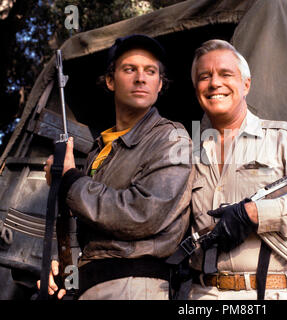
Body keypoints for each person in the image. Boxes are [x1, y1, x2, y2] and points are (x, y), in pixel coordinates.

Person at [188, 39, 287, 300]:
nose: (214, 83)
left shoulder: (286, 138)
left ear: (246, 84)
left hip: (274, 292)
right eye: (204, 76)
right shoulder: (190, 152)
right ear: (197, 89)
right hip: (203, 295)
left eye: (226, 74)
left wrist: (256, 213)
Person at [38, 34, 193, 300]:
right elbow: (88, 230)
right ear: (110, 81)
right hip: (91, 285)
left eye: (150, 71)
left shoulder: (171, 138)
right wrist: (63, 264)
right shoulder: (100, 149)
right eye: (129, 69)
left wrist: (71, 180)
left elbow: (144, 214)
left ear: (159, 85)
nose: (140, 78)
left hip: (136, 285)